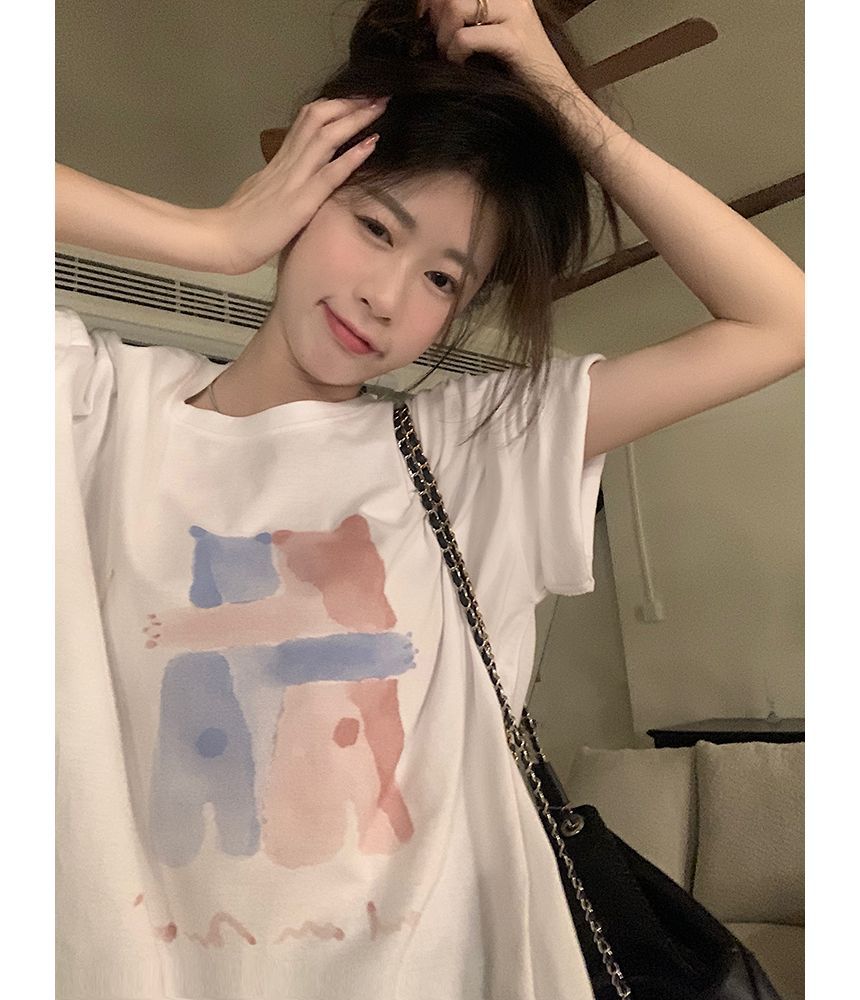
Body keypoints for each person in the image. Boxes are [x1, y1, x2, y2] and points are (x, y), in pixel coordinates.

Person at [55, 1, 804, 998]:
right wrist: (209, 235)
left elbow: (780, 320)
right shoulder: (93, 406)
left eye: (442, 280)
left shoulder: (469, 449)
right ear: (300, 195)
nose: (387, 297)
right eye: (375, 227)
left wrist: (558, 100)